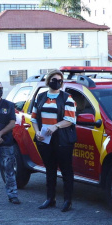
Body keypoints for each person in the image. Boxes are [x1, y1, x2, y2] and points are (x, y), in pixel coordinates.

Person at [30, 70, 76, 212]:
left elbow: (70, 120)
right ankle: (50, 199)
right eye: (54, 79)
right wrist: (37, 131)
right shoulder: (41, 96)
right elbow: (34, 117)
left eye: (60, 80)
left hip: (62, 139)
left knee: (66, 170)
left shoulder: (67, 98)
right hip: (44, 138)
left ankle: (67, 201)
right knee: (50, 169)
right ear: (48, 80)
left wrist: (56, 126)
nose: (57, 82)